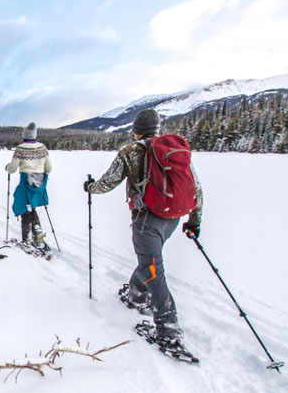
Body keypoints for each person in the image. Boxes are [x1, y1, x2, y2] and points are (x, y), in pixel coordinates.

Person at [84, 109, 203, 344]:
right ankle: (137, 295)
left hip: (146, 220)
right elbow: (196, 188)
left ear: (136, 131)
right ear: (157, 129)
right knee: (150, 261)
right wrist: (194, 221)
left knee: (152, 269)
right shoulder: (173, 152)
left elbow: (108, 182)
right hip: (173, 218)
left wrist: (90, 187)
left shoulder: (130, 152)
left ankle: (168, 328)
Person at [6, 122, 52, 247]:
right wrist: (43, 179)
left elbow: (12, 169)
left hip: (26, 181)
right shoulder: (43, 148)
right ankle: (37, 231)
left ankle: (26, 240)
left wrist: (7, 168)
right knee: (32, 206)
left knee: (24, 207)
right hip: (40, 182)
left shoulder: (21, 149)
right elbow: (49, 167)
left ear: (24, 136)